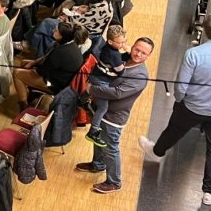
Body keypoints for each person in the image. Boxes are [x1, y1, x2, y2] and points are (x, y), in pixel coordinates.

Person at [139, 18, 211, 206]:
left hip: (191, 106)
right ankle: (208, 192)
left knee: (173, 130)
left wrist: (180, 101)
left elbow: (181, 86)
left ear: (205, 30)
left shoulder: (194, 54)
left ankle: (157, 152)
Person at [75, 37, 153, 194]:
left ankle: (114, 182)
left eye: (143, 53)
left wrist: (91, 89)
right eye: (137, 49)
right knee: (98, 139)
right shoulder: (124, 59)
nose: (138, 54)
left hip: (114, 117)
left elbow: (117, 93)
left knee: (111, 148)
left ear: (148, 56)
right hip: (102, 110)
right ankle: (97, 164)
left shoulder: (140, 75)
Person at [13, 21, 85, 110]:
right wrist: (32, 63)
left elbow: (40, 72)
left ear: (62, 36)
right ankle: (33, 93)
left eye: (56, 30)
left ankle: (23, 105)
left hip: (55, 84)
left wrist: (28, 70)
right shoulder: (70, 44)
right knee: (24, 62)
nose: (53, 30)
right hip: (58, 76)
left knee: (16, 73)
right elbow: (46, 57)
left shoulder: (60, 52)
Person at [83, 25, 127, 146]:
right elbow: (121, 71)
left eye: (124, 41)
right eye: (120, 42)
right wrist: (127, 55)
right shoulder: (114, 54)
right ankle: (93, 131)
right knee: (103, 108)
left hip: (96, 76)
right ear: (110, 41)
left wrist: (125, 55)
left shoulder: (108, 48)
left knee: (101, 106)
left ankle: (86, 103)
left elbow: (116, 59)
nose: (123, 45)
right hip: (101, 81)